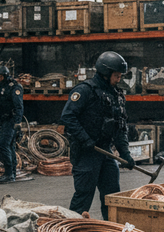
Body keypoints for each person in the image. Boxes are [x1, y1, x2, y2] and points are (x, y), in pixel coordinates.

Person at [60, 51, 134, 220]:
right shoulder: (85, 91)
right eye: (116, 75)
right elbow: (67, 117)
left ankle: (111, 228)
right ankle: (73, 228)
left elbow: (120, 127)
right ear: (105, 73)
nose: (119, 79)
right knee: (84, 196)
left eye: (120, 76)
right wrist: (84, 139)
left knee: (112, 197)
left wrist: (125, 153)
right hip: (86, 153)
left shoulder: (117, 95)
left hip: (105, 152)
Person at [0, 65, 24, 183]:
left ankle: (9, 173)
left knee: (3, 146)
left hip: (11, 120)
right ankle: (11, 173)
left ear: (5, 75)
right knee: (9, 146)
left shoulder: (14, 87)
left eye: (0, 76)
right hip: (3, 121)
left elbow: (18, 106)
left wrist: (18, 122)